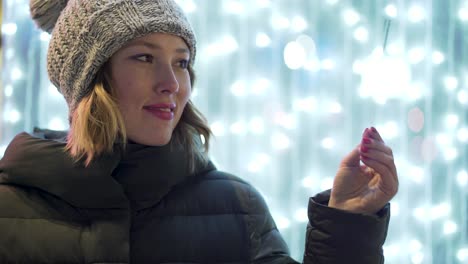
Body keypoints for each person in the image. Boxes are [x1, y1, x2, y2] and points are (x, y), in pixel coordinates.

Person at [0, 0, 398, 263]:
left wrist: (348, 225)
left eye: (181, 61)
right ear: (89, 79)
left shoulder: (237, 208)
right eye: (144, 57)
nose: (171, 83)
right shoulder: (10, 209)